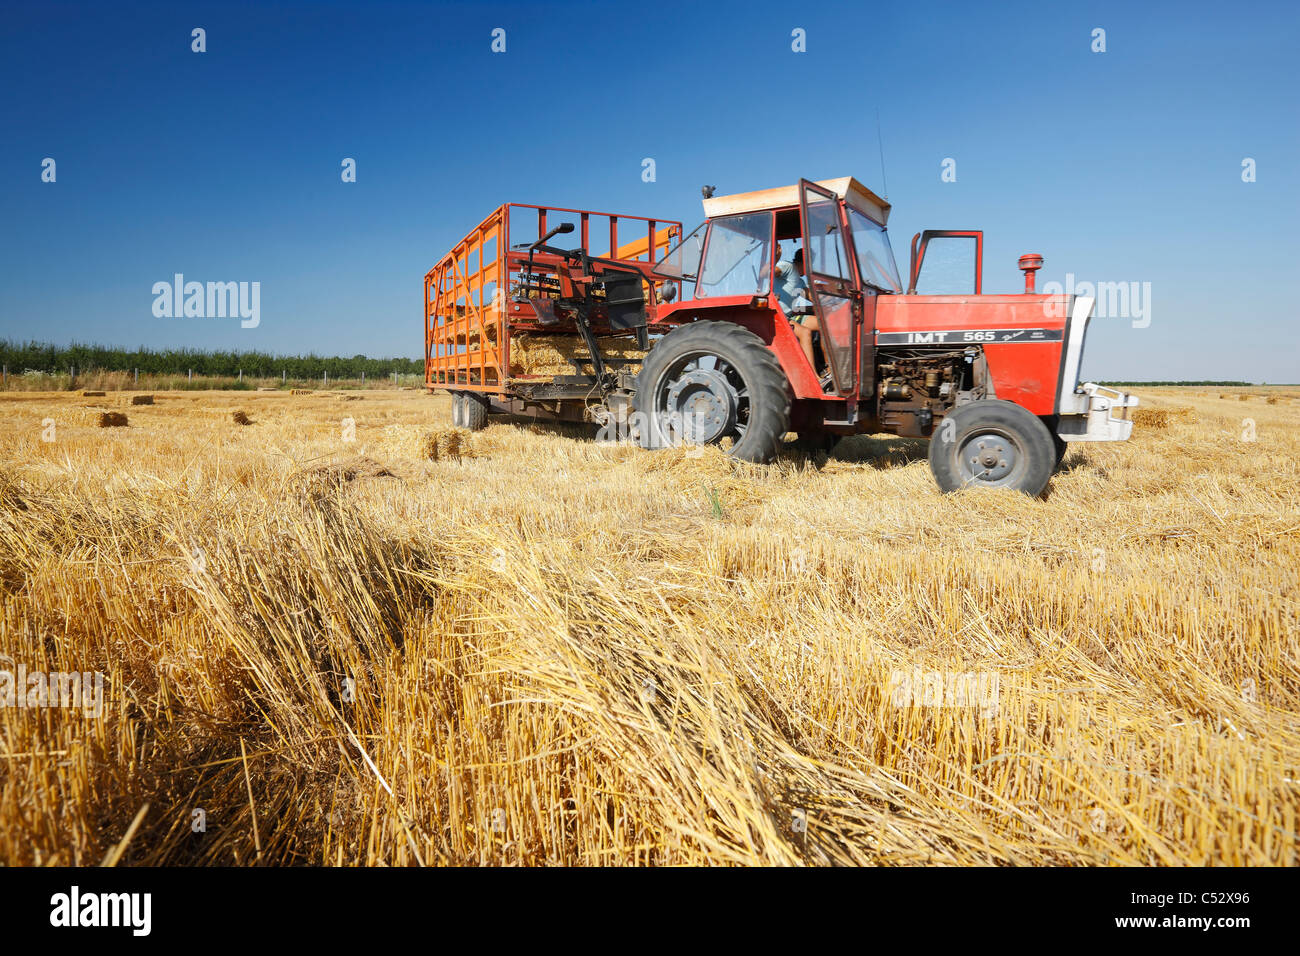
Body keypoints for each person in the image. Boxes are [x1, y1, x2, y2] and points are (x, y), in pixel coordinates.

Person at [774, 248, 821, 374]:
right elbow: (771, 273)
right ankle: (814, 377)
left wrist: (828, 301)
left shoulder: (800, 281)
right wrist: (776, 258)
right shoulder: (787, 266)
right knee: (805, 333)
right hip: (778, 317)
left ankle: (829, 370)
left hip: (790, 316)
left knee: (825, 325)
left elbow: (811, 296)